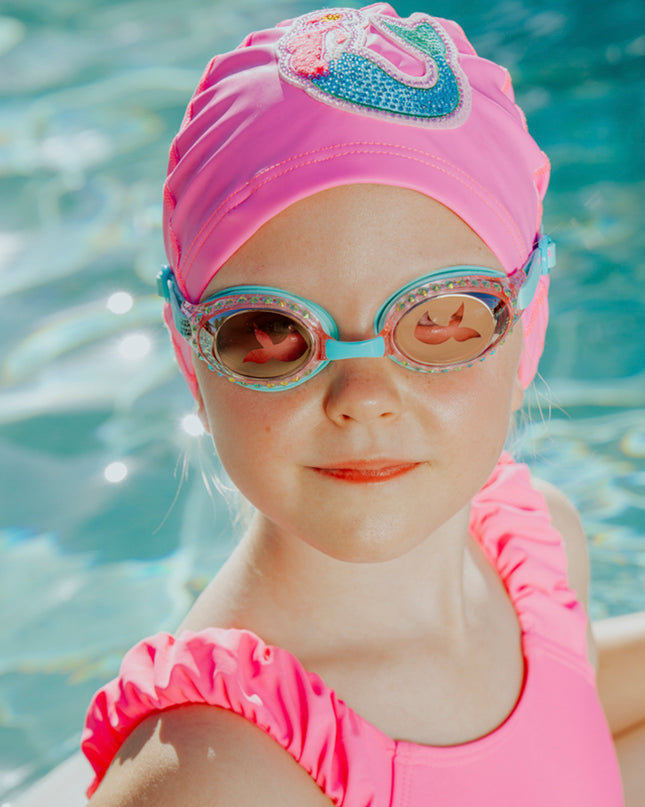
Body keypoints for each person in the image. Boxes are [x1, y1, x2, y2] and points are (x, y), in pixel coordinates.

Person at [80, 5, 645, 804]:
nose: (363, 397)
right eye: (272, 329)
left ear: (531, 323)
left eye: (441, 318)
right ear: (189, 357)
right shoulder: (218, 776)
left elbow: (562, 734)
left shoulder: (534, 555)